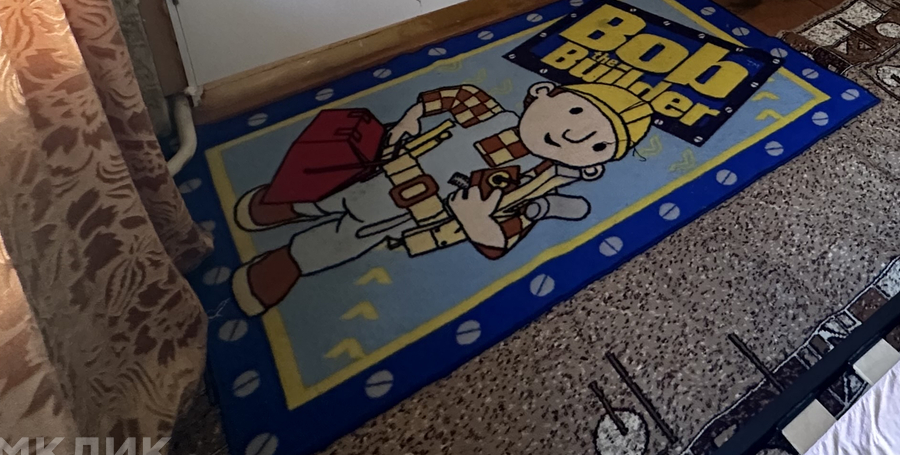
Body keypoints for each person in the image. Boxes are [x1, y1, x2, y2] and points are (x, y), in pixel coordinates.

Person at [228, 80, 652, 316]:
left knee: (351, 234)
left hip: (411, 211)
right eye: (577, 112)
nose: (575, 134)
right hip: (386, 166)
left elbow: (504, 235)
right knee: (331, 188)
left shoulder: (531, 183)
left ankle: (289, 262)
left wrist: (477, 222)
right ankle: (289, 204)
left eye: (598, 145)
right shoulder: (490, 114)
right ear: (542, 92)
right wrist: (412, 117)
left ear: (592, 167)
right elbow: (456, 96)